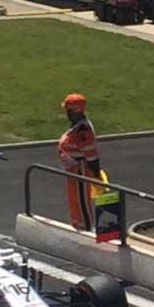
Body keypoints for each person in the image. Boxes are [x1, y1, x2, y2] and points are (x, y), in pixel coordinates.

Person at [57, 92, 103, 232]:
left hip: (80, 172)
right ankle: (79, 227)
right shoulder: (77, 126)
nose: (67, 113)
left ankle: (87, 230)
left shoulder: (83, 130)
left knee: (82, 202)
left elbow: (91, 155)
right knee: (75, 201)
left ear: (74, 110)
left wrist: (96, 175)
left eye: (68, 110)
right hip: (73, 171)